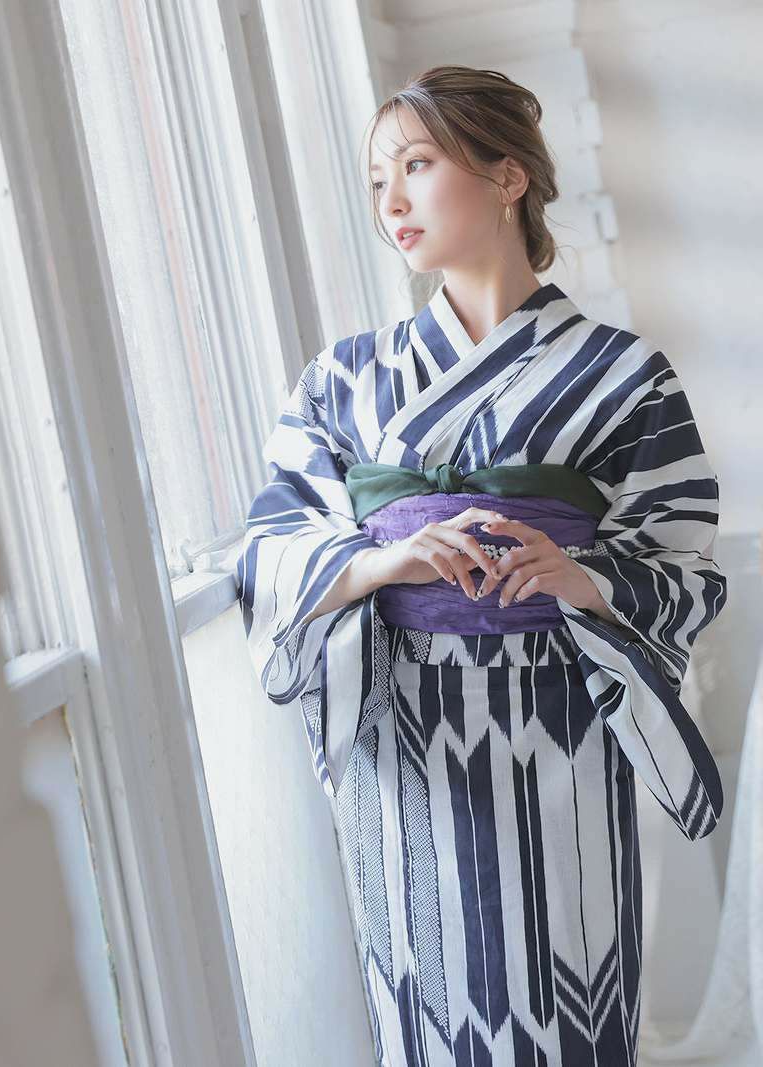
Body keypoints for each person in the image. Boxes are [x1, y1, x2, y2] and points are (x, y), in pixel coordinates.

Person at [234, 65, 728, 1067]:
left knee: (566, 991)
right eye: (378, 180)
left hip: (558, 732)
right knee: (430, 1007)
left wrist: (582, 576)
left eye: (417, 166)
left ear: (508, 177)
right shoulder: (343, 378)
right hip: (404, 741)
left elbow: (683, 558)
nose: (393, 202)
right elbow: (270, 546)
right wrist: (385, 560)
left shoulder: (621, 374)